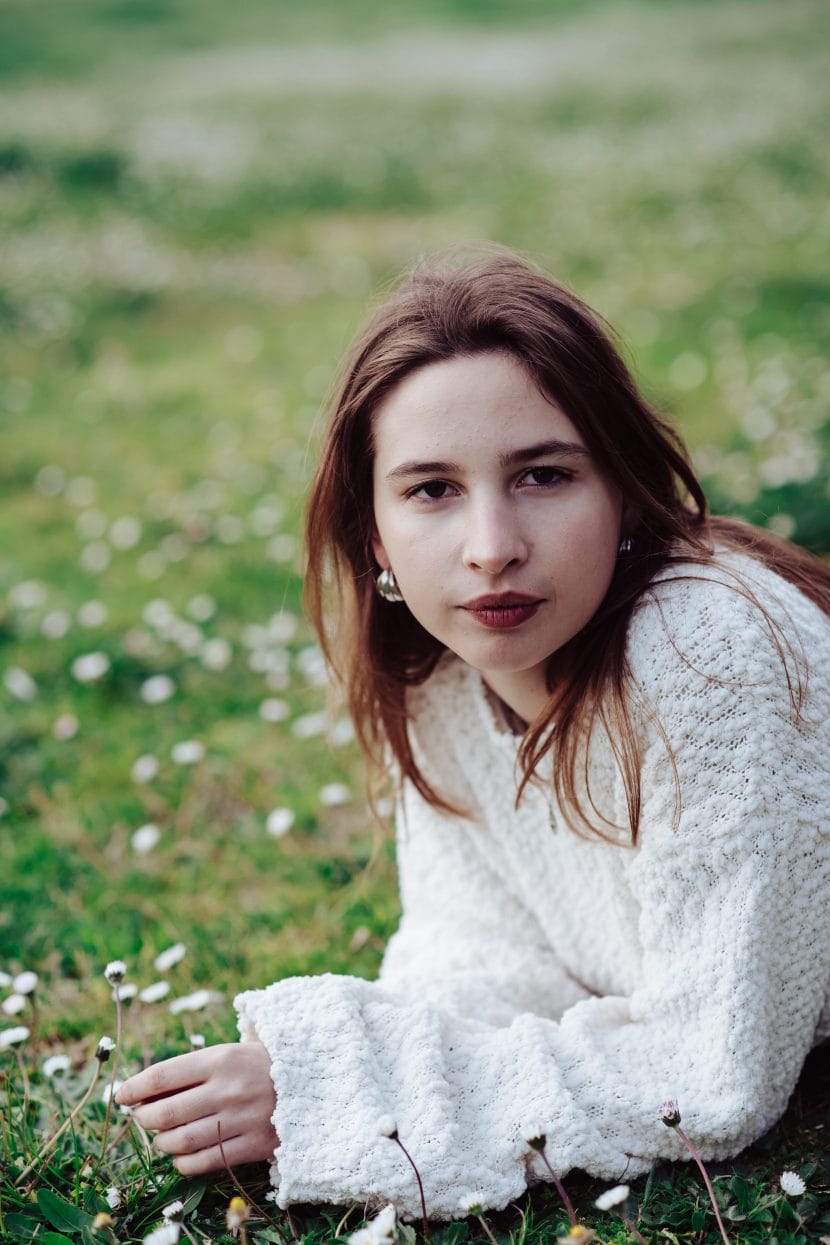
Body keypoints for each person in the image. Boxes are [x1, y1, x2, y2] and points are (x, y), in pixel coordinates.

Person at [118, 248, 830, 1222]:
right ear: (372, 533)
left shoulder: (705, 652)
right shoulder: (438, 662)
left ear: (619, 491)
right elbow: (478, 959)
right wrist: (330, 1063)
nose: (489, 547)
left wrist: (345, 1093)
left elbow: (711, 1073)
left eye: (541, 475)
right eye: (429, 490)